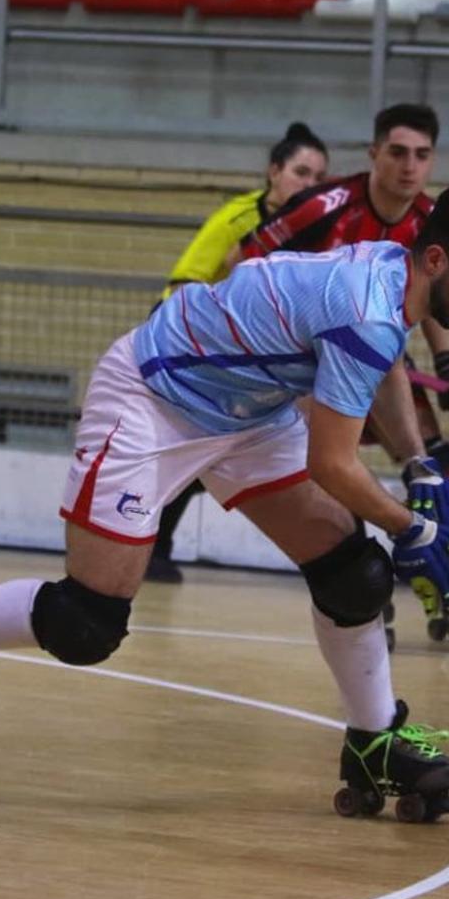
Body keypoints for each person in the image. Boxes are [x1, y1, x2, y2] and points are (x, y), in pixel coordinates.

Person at [0, 182, 449, 825]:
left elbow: (384, 370)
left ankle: (374, 740)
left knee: (356, 575)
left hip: (249, 415)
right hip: (154, 399)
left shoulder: (389, 273)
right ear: (435, 259)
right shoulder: (367, 307)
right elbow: (333, 462)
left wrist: (417, 464)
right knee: (85, 623)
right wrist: (411, 526)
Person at [239, 103, 449, 646]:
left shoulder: (435, 222)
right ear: (374, 154)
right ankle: (366, 595)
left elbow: (436, 300)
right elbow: (244, 259)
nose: (409, 167)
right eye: (398, 152)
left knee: (438, 468)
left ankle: (447, 587)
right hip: (305, 361)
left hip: (380, 356)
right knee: (336, 466)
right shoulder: (324, 205)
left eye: (422, 155)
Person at [145, 122, 329, 584]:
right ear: (274, 172)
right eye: (300, 173)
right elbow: (181, 287)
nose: (309, 185)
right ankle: (149, 544)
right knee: (201, 451)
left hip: (265, 363)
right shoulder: (236, 219)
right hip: (200, 350)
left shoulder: (323, 229)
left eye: (318, 178)